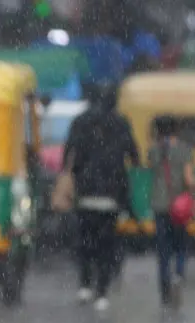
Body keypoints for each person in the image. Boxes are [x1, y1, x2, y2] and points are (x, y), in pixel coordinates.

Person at [63, 84, 139, 311]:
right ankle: (102, 292)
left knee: (85, 243)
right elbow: (134, 156)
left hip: (85, 194)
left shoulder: (80, 122)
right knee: (107, 246)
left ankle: (85, 285)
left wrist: (72, 174)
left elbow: (69, 153)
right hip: (111, 196)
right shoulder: (121, 123)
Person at [148, 116, 195, 308]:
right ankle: (178, 275)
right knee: (181, 245)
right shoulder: (185, 150)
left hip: (160, 205)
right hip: (179, 206)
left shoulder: (153, 150)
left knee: (163, 249)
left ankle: (165, 287)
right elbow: (189, 179)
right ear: (176, 128)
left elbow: (152, 168)